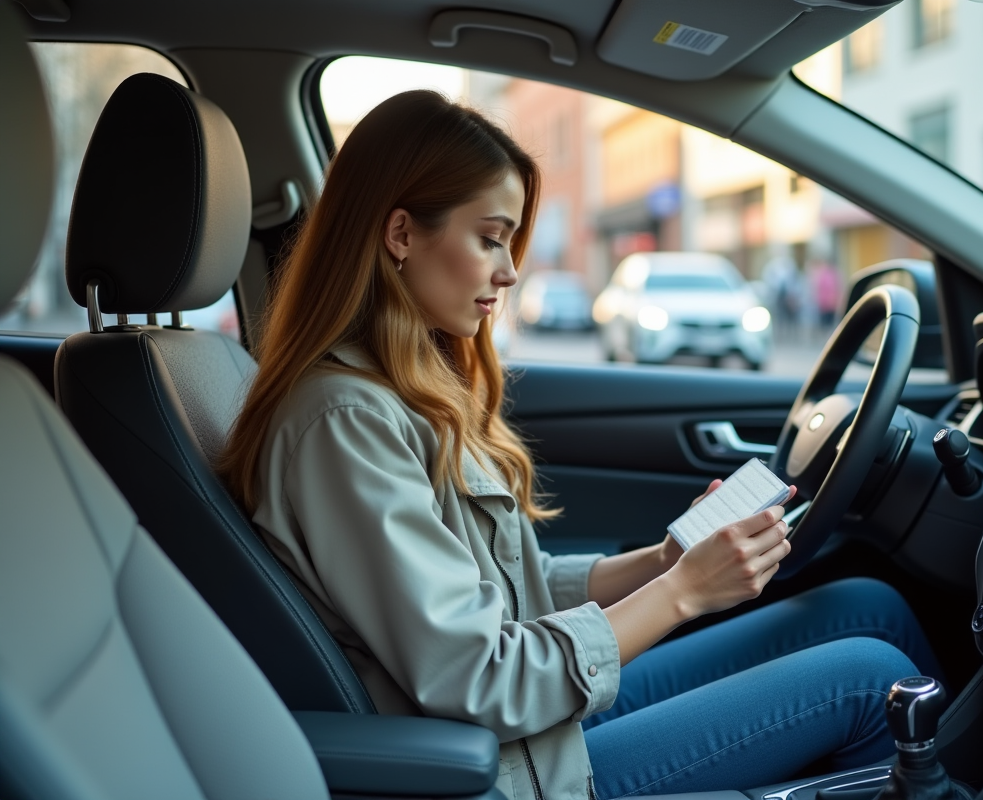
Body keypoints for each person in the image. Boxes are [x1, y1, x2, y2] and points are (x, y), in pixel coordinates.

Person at [219, 90, 940, 800]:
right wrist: (682, 594)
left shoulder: (398, 392)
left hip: (539, 727)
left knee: (863, 607)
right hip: (513, 769)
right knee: (870, 678)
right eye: (489, 237)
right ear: (401, 234)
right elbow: (480, 679)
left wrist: (664, 562)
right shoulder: (344, 423)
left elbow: (511, 590)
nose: (508, 271)